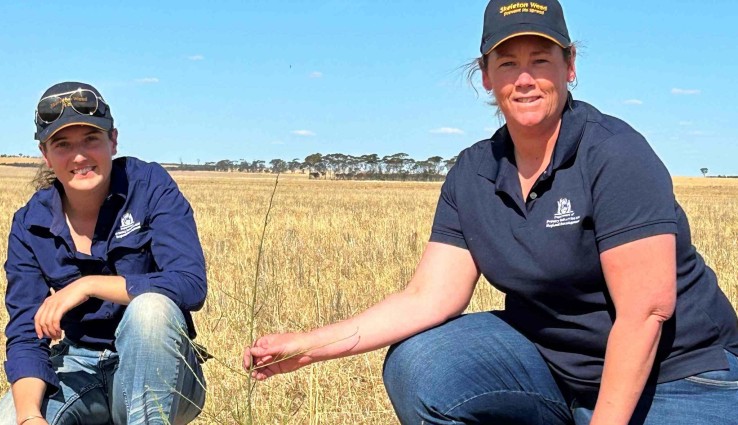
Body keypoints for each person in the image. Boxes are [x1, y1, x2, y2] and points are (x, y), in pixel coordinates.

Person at [244, 1, 738, 424]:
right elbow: (427, 298)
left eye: (541, 60)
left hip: (679, 376)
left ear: (570, 67)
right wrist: (307, 346)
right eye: (507, 63)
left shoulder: (615, 153)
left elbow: (646, 312)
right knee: (422, 361)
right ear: (485, 76)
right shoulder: (475, 171)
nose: (524, 79)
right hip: (557, 372)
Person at [0, 82, 207, 425]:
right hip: (77, 366)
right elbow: (26, 334)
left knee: (150, 308)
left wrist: (87, 285)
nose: (79, 156)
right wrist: (30, 416)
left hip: (163, 367)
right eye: (63, 145)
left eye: (91, 139)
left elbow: (190, 285)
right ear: (46, 154)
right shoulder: (30, 224)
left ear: (113, 140)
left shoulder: (149, 186)